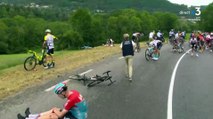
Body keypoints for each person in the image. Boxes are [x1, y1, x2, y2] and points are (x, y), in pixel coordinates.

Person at [18, 83, 88, 119]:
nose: (58, 96)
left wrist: (55, 109)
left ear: (62, 92)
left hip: (76, 117)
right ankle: (30, 116)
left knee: (52, 116)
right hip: (75, 113)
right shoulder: (73, 92)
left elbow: (60, 116)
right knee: (53, 110)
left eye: (58, 94)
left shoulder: (71, 100)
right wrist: (54, 109)